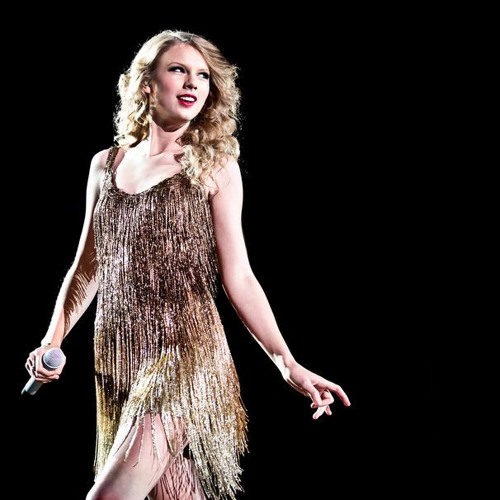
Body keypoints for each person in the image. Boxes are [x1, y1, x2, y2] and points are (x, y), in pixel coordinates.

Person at [24, 29, 351, 500]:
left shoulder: (214, 166)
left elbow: (239, 275)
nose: (192, 82)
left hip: (187, 355)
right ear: (146, 83)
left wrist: (287, 362)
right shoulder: (105, 166)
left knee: (109, 496)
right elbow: (87, 267)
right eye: (177, 69)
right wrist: (51, 341)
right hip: (120, 357)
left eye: (202, 75)